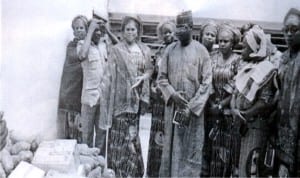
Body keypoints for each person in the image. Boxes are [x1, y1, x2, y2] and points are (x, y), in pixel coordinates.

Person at [158, 11, 212, 177]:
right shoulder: (169, 50)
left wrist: (191, 107)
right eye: (178, 26)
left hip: (193, 113)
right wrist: (172, 94)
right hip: (173, 108)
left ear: (191, 27)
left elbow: (207, 83)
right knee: (172, 149)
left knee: (190, 151)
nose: (180, 30)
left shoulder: (202, 51)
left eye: (184, 26)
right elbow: (162, 78)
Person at [106, 15, 153, 177]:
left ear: (138, 31)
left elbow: (149, 70)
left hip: (136, 100)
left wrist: (144, 78)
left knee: (132, 134)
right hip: (120, 100)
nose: (131, 32)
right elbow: (109, 75)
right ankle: (118, 172)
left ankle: (133, 173)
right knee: (120, 136)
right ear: (122, 31)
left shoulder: (145, 50)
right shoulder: (116, 50)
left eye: (133, 29)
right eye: (128, 29)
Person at [231, 26, 278, 177]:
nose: (241, 50)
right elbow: (235, 92)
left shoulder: (267, 69)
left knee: (250, 167)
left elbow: (265, 101)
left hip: (255, 127)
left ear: (253, 48)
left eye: (244, 47)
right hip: (240, 124)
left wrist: (244, 114)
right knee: (238, 166)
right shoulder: (245, 66)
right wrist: (234, 108)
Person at [203, 23, 241, 177]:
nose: (222, 44)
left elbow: (237, 86)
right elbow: (206, 80)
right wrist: (212, 104)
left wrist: (221, 105)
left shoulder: (238, 61)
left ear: (233, 43)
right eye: (221, 41)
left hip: (227, 114)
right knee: (209, 149)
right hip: (210, 109)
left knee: (224, 153)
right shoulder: (211, 58)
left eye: (226, 41)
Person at [77, 16, 118, 152]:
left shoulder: (103, 45)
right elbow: (82, 55)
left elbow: (119, 46)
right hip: (89, 99)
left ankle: (99, 166)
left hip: (103, 98)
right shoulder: (82, 45)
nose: (99, 33)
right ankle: (88, 166)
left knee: (101, 135)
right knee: (86, 135)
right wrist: (90, 30)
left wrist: (107, 29)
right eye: (95, 31)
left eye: (100, 31)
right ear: (89, 31)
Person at [147, 20, 176, 177]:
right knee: (156, 136)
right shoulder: (158, 52)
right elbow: (153, 75)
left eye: (170, 32)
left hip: (170, 101)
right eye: (165, 32)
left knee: (168, 136)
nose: (168, 35)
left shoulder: (179, 52)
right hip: (158, 102)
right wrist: (152, 89)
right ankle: (153, 173)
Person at [277, 8, 300, 177]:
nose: (289, 34)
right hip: (282, 130)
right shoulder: (283, 58)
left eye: (294, 29)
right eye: (286, 30)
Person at [57, 15, 87, 141]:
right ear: (73, 31)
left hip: (81, 93)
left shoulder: (90, 45)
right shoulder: (71, 46)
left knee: (79, 131)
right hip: (69, 93)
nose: (79, 30)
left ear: (86, 29)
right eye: (76, 28)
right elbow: (80, 57)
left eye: (82, 27)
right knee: (68, 130)